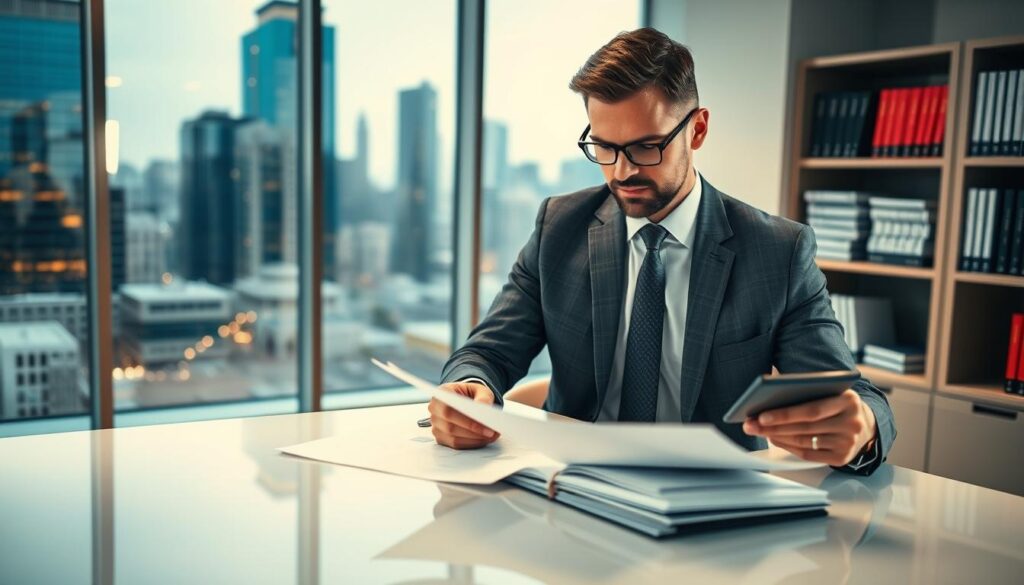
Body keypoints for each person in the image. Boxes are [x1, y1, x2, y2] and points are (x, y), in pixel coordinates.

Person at [428, 27, 894, 474]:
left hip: (711, 503)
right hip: (573, 490)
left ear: (697, 129)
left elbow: (851, 395)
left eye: (646, 147)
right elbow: (488, 352)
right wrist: (470, 388)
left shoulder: (777, 252)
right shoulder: (559, 227)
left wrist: (863, 430)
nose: (622, 171)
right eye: (604, 147)